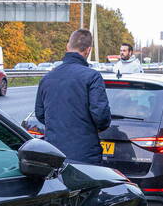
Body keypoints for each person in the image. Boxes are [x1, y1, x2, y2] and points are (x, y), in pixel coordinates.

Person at [34, 29, 110, 165]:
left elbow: (40, 114)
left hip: (53, 153)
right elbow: (101, 118)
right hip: (85, 154)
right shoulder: (92, 77)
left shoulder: (47, 78)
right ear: (88, 50)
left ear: (67, 47)